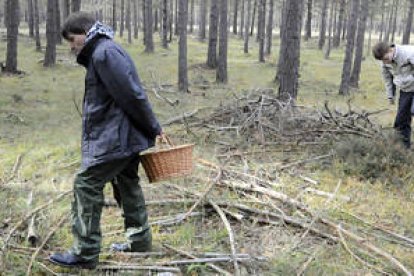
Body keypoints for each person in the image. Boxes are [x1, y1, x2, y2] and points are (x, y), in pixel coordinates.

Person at [49, 12, 164, 269]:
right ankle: (140, 242)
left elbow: (132, 96)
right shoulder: (104, 51)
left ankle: (85, 253)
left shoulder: (104, 53)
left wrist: (154, 128)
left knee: (86, 183)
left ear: (84, 32)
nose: (72, 46)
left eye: (72, 40)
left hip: (117, 137)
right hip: (122, 135)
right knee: (127, 184)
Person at [373, 41, 414, 148]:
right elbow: (387, 78)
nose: (385, 62)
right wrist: (390, 95)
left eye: (386, 59)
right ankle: (404, 150)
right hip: (406, 89)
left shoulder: (409, 53)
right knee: (400, 121)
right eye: (382, 60)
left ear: (390, 50)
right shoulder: (385, 62)